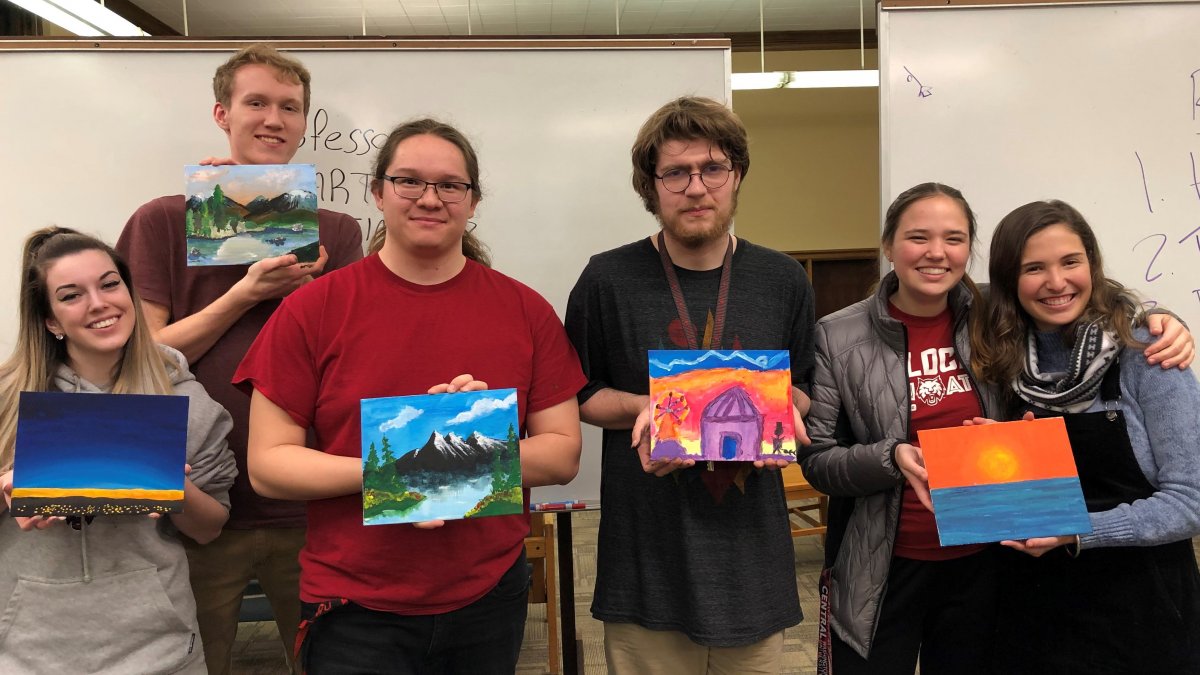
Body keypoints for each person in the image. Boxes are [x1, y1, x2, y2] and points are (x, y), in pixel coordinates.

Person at [233, 118, 585, 673]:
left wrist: (464, 446)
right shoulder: (312, 310)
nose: (430, 198)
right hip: (353, 606)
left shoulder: (525, 310)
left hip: (488, 595)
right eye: (409, 181)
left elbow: (562, 454)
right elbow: (269, 466)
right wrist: (401, 471)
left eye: (450, 185)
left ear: (473, 201)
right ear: (378, 192)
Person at [800, 185, 1195, 675]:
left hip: (993, 568)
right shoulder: (842, 335)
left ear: (970, 249)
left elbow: (1093, 307)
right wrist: (892, 456)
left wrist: (1161, 320)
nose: (936, 252)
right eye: (918, 237)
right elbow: (817, 458)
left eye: (954, 238)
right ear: (888, 245)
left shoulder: (991, 318)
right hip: (885, 567)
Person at [116, 44, 363, 674]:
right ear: (222, 114)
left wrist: (310, 298)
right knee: (195, 662)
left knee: (328, 660)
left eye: (290, 107)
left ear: (303, 122)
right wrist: (244, 293)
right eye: (256, 103)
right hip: (192, 498)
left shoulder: (337, 232)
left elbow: (351, 363)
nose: (273, 119)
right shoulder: (162, 220)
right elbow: (141, 360)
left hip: (308, 501)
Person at [564, 96, 814, 674]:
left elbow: (805, 383)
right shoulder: (606, 278)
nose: (696, 188)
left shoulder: (783, 278)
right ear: (650, 187)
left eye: (713, 169)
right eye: (676, 172)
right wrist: (649, 406)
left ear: (737, 175)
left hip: (753, 560)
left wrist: (782, 409)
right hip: (646, 559)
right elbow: (579, 393)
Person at [972, 200, 1200, 674]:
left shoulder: (1149, 353)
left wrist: (1077, 532)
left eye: (1070, 262)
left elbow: (1191, 501)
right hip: (1031, 609)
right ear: (1009, 279)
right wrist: (996, 461)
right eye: (1034, 268)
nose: (1056, 282)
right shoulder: (1000, 362)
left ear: (1092, 264)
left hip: (1144, 610)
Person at [0, 227, 237, 674]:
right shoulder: (8, 399)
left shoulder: (186, 401)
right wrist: (7, 488)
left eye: (110, 284)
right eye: (71, 295)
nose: (99, 303)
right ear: (50, 320)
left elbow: (210, 529)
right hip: (28, 649)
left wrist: (175, 485)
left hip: (160, 649)